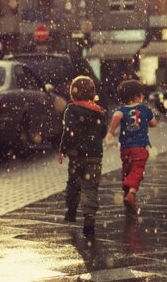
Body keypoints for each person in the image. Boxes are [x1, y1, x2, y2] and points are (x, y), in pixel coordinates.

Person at [57, 76, 107, 236]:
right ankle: (89, 217)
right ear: (93, 94)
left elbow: (68, 132)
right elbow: (103, 131)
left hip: (76, 156)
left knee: (73, 184)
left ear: (73, 94)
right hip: (94, 156)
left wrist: (63, 149)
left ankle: (71, 210)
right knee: (91, 187)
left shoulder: (71, 110)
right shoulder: (100, 112)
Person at [105, 79, 158, 215]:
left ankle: (126, 189)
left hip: (125, 148)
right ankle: (131, 194)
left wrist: (111, 132)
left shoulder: (121, 110)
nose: (143, 97)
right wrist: (149, 120)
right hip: (140, 148)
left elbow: (117, 116)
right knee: (137, 171)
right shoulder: (144, 109)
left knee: (127, 168)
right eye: (142, 94)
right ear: (136, 96)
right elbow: (154, 123)